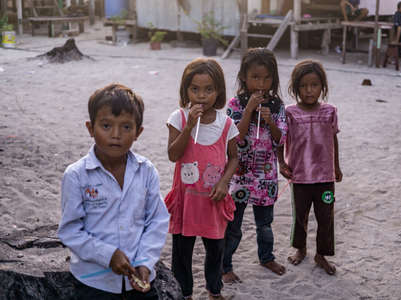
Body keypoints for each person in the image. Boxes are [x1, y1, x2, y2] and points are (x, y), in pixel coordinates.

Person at [58, 83, 170, 299]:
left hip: (139, 277)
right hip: (93, 281)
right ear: (91, 129)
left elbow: (156, 221)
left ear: (138, 132)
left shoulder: (146, 171)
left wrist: (145, 262)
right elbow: (70, 231)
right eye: (106, 126)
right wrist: (108, 255)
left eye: (126, 127)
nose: (116, 135)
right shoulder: (77, 175)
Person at [165, 58, 239, 300]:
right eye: (194, 89)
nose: (201, 96)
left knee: (216, 250)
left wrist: (224, 182)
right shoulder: (179, 118)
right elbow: (173, 154)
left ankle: (214, 291)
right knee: (182, 254)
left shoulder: (226, 124)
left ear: (218, 91)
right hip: (186, 202)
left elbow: (234, 158)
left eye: (208, 89)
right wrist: (189, 127)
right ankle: (184, 293)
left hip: (213, 201)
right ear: (185, 89)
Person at [223, 48, 288, 284]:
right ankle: (225, 265)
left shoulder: (278, 105)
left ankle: (266, 257)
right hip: (239, 175)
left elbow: (281, 139)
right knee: (233, 226)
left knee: (265, 225)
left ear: (274, 78)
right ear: (244, 77)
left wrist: (271, 122)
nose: (261, 83)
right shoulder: (236, 104)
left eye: (266, 78)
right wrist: (249, 109)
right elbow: (235, 138)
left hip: (265, 176)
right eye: (255, 77)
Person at [278, 60, 342, 276]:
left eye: (314, 85)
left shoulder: (330, 111)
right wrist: (282, 163)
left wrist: (337, 167)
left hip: (325, 177)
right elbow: (280, 140)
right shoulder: (289, 113)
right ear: (295, 88)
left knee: (326, 216)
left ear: (322, 86)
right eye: (304, 86)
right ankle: (301, 249)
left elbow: (334, 140)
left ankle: (321, 254)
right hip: (300, 177)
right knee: (300, 216)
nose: (309, 90)